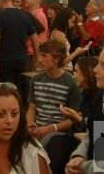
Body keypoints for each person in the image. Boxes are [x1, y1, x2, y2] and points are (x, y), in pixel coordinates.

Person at [26, 39, 81, 174]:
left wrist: (51, 128)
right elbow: (32, 108)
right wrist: (29, 124)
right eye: (40, 55)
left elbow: (73, 119)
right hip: (38, 129)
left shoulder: (70, 83)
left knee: (47, 144)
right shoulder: (36, 80)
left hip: (59, 133)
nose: (39, 59)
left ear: (56, 58)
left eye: (44, 56)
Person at [0, 0, 39, 88]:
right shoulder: (24, 15)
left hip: (4, 61)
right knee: (18, 89)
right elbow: (35, 38)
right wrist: (37, 58)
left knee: (4, 91)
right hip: (21, 60)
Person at [65, 49, 104, 174]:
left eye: (103, 65)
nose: (95, 70)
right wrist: (79, 155)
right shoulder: (100, 98)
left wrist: (83, 166)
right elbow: (97, 137)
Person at [60, 56, 98, 131]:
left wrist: (78, 118)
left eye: (76, 71)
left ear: (87, 73)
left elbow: (98, 135)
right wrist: (75, 118)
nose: (74, 76)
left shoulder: (99, 99)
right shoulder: (86, 94)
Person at [50, 7, 87, 72]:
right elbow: (61, 62)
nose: (72, 25)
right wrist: (76, 52)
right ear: (65, 19)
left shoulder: (55, 31)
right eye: (72, 22)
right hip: (64, 70)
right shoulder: (60, 35)